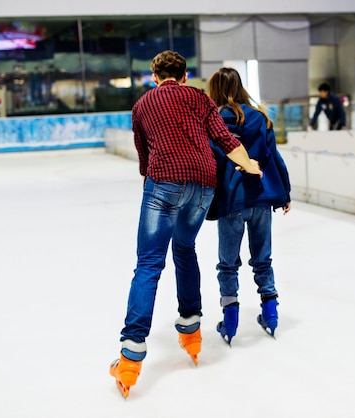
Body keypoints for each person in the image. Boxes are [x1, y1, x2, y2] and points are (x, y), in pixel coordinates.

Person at [109, 51, 263, 398]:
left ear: (154, 76)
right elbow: (226, 141)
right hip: (202, 185)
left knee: (149, 264)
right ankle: (191, 330)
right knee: (185, 250)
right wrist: (250, 165)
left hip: (163, 185)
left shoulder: (142, 105)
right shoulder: (199, 98)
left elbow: (145, 159)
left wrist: (156, 186)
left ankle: (131, 356)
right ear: (185, 74)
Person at [207, 67, 291, 345]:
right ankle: (271, 313)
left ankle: (230, 321)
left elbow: (212, 162)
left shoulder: (214, 121)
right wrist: (285, 193)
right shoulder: (260, 118)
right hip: (261, 199)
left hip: (231, 200)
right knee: (262, 259)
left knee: (228, 264)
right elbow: (273, 158)